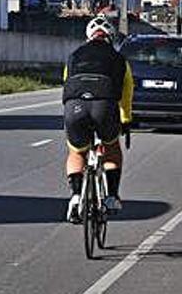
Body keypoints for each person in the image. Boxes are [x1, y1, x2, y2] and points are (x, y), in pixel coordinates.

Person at [62, 15, 134, 223]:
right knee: (111, 148)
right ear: (111, 37)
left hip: (74, 105)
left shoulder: (74, 55)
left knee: (77, 151)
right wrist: (126, 118)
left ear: (89, 36)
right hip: (104, 106)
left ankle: (76, 196)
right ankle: (111, 197)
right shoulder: (118, 58)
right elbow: (127, 89)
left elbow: (66, 84)